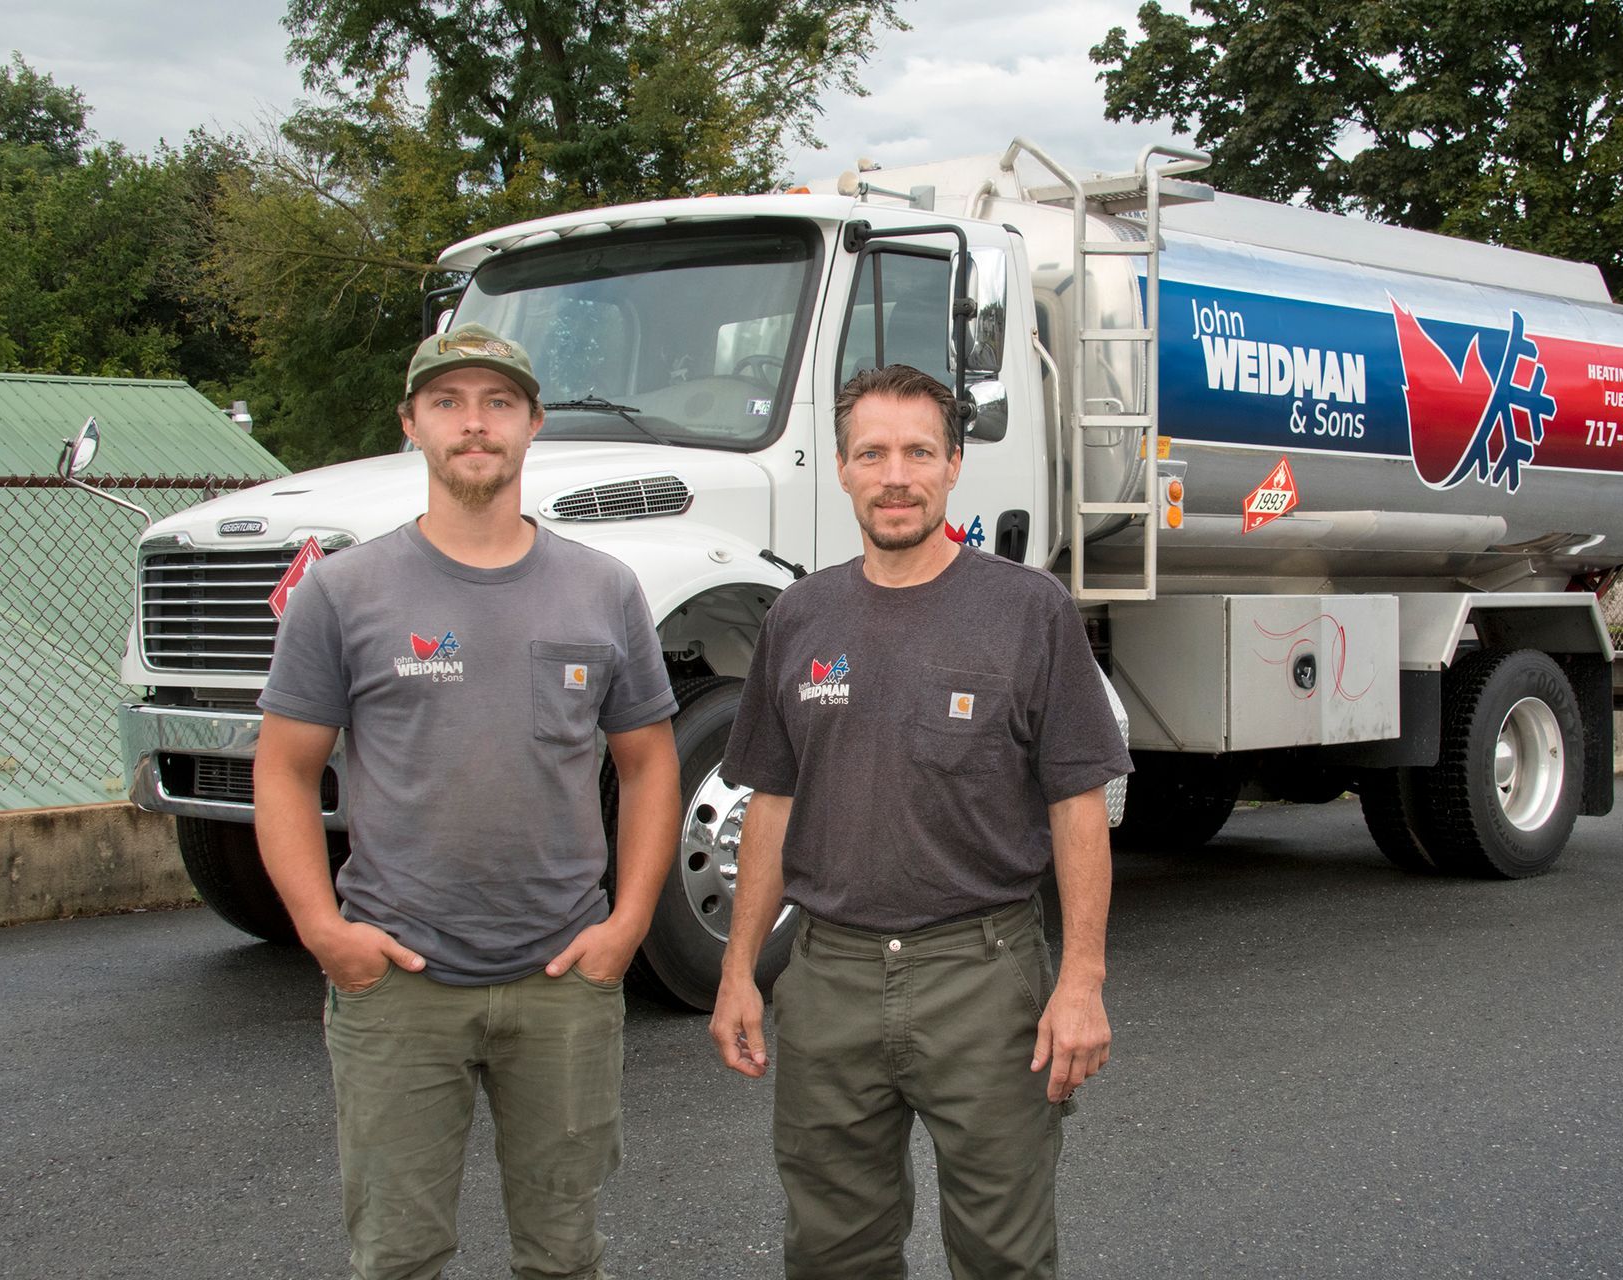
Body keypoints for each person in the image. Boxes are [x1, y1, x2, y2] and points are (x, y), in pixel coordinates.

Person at [253, 323, 682, 1280]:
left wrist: (629, 926)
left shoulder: (604, 590)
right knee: (398, 1256)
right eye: (448, 403)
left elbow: (651, 765)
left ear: (533, 425)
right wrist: (325, 931)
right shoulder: (343, 592)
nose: (473, 424)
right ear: (412, 424)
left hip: (565, 980)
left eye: (497, 403)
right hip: (395, 980)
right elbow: (282, 770)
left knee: (564, 1254)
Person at [709, 363, 1132, 1278]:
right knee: (832, 1251)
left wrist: (1083, 981)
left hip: (982, 978)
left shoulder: (1029, 611)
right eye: (873, 453)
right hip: (827, 979)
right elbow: (770, 807)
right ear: (841, 467)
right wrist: (740, 969)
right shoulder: (798, 615)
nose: (894, 474)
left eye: (917, 453)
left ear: (953, 467)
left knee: (1003, 1255)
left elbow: (1077, 803)